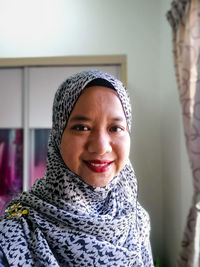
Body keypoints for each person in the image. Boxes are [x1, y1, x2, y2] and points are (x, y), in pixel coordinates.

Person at [0, 70, 154, 266]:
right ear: (58, 134)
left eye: (115, 128)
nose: (100, 147)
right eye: (82, 127)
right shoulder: (16, 232)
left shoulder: (136, 220)